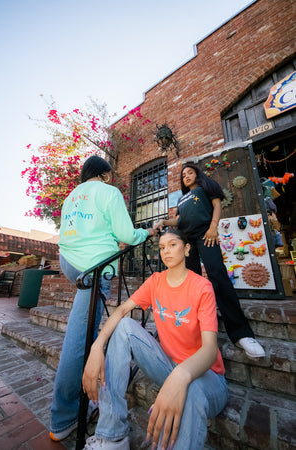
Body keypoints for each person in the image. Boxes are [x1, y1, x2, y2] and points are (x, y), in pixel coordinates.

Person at [81, 229, 228, 450]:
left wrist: (182, 375)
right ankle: (112, 437)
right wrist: (97, 346)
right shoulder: (156, 281)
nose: (165, 251)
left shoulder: (202, 287)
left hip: (207, 377)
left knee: (192, 389)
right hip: (168, 367)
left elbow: (209, 350)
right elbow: (122, 310)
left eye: (172, 245)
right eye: (161, 247)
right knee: (124, 328)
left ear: (187, 249)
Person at [50, 155, 157, 442]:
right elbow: (125, 234)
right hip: (93, 266)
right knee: (80, 338)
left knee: (84, 324)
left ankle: (73, 404)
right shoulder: (108, 192)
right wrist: (146, 232)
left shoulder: (72, 196)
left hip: (70, 261)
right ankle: (63, 416)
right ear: (106, 174)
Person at [155, 163, 265, 358]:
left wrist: (213, 227)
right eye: (183, 175)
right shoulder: (182, 199)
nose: (186, 176)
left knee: (217, 274)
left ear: (197, 174)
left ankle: (241, 334)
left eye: (190, 172)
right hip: (186, 241)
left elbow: (217, 205)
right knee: (190, 281)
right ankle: (192, 332)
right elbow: (178, 221)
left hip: (206, 235)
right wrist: (164, 221)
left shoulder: (205, 188)